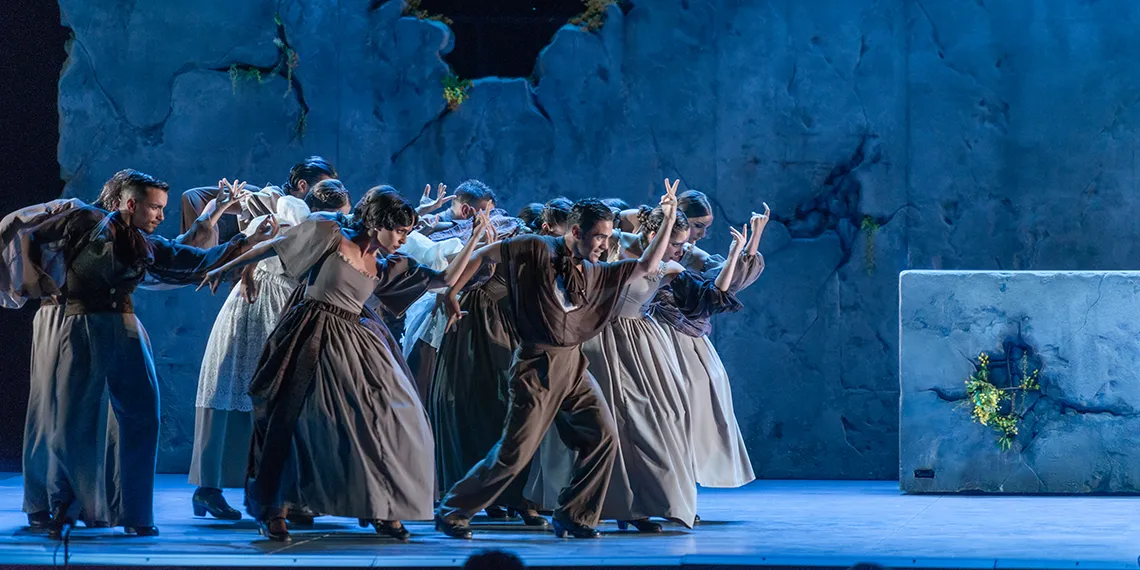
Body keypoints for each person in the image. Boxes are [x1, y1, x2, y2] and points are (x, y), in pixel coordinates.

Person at [199, 186, 490, 543]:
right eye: (398, 231)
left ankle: (383, 506)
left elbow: (444, 280)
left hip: (356, 341)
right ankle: (275, 509)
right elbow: (274, 245)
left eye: (406, 232)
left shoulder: (386, 265)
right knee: (294, 420)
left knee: (392, 418)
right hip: (311, 334)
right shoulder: (330, 234)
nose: (403, 239)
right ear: (377, 224)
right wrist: (225, 267)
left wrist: (475, 239)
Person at [4, 170, 276, 539]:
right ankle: (60, 505)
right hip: (81, 325)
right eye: (155, 208)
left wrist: (245, 241)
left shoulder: (135, 238)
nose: (161, 215)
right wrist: (39, 280)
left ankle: (133, 511)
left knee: (142, 415)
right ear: (131, 204)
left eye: (163, 208)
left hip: (121, 324)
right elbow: (35, 237)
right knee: (71, 420)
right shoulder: (88, 221)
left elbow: (180, 256)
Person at [434, 181, 681, 540]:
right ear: (576, 232)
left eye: (608, 236)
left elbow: (646, 265)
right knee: (515, 452)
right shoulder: (537, 247)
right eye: (599, 237)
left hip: (574, 366)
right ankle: (453, 510)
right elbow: (485, 255)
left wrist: (669, 219)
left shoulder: (596, 270)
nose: (605, 244)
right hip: (537, 365)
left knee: (602, 436)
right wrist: (452, 292)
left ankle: (574, 514)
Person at [188, 179, 352, 521]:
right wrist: (245, 270)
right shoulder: (293, 211)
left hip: (287, 303)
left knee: (279, 397)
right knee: (240, 385)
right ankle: (211, 488)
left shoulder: (324, 227)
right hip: (261, 302)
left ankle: (279, 492)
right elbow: (268, 239)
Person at [654, 197, 769, 492]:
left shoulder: (691, 255)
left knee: (702, 406)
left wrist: (751, 243)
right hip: (658, 337)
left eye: (705, 227)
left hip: (687, 336)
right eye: (697, 226)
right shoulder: (650, 251)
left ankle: (684, 484)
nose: (702, 234)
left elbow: (721, 289)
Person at [179, 156, 337, 245]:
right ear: (302, 185)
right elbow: (214, 204)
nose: (325, 193)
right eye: (322, 186)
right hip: (217, 238)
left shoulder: (305, 211)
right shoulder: (274, 198)